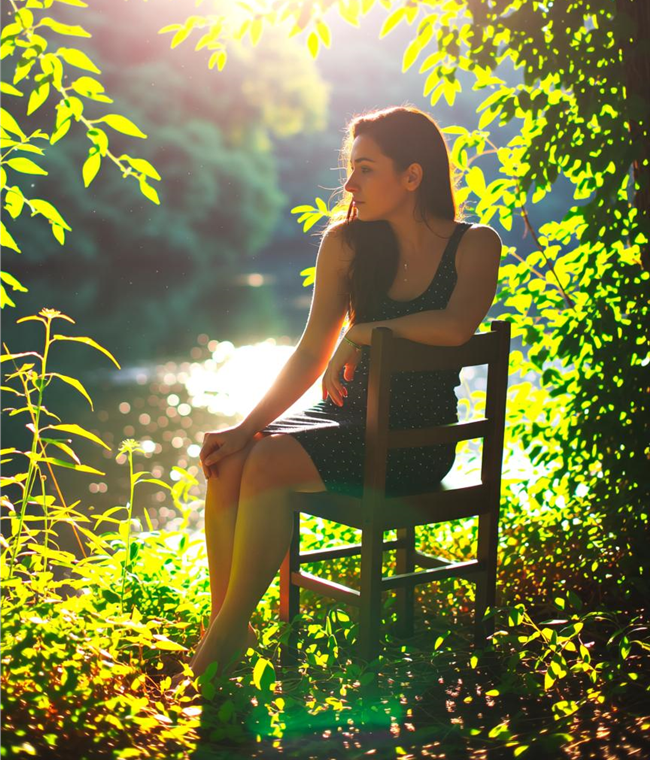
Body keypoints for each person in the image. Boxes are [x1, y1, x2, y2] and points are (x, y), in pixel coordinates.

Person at [186, 105, 502, 679]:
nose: (350, 183)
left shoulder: (474, 245)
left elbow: (457, 326)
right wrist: (242, 426)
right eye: (350, 168)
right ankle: (227, 624)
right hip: (341, 420)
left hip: (412, 441)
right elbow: (310, 352)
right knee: (232, 460)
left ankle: (222, 642)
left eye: (366, 168)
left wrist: (365, 331)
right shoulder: (347, 244)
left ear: (413, 176)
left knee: (268, 462)